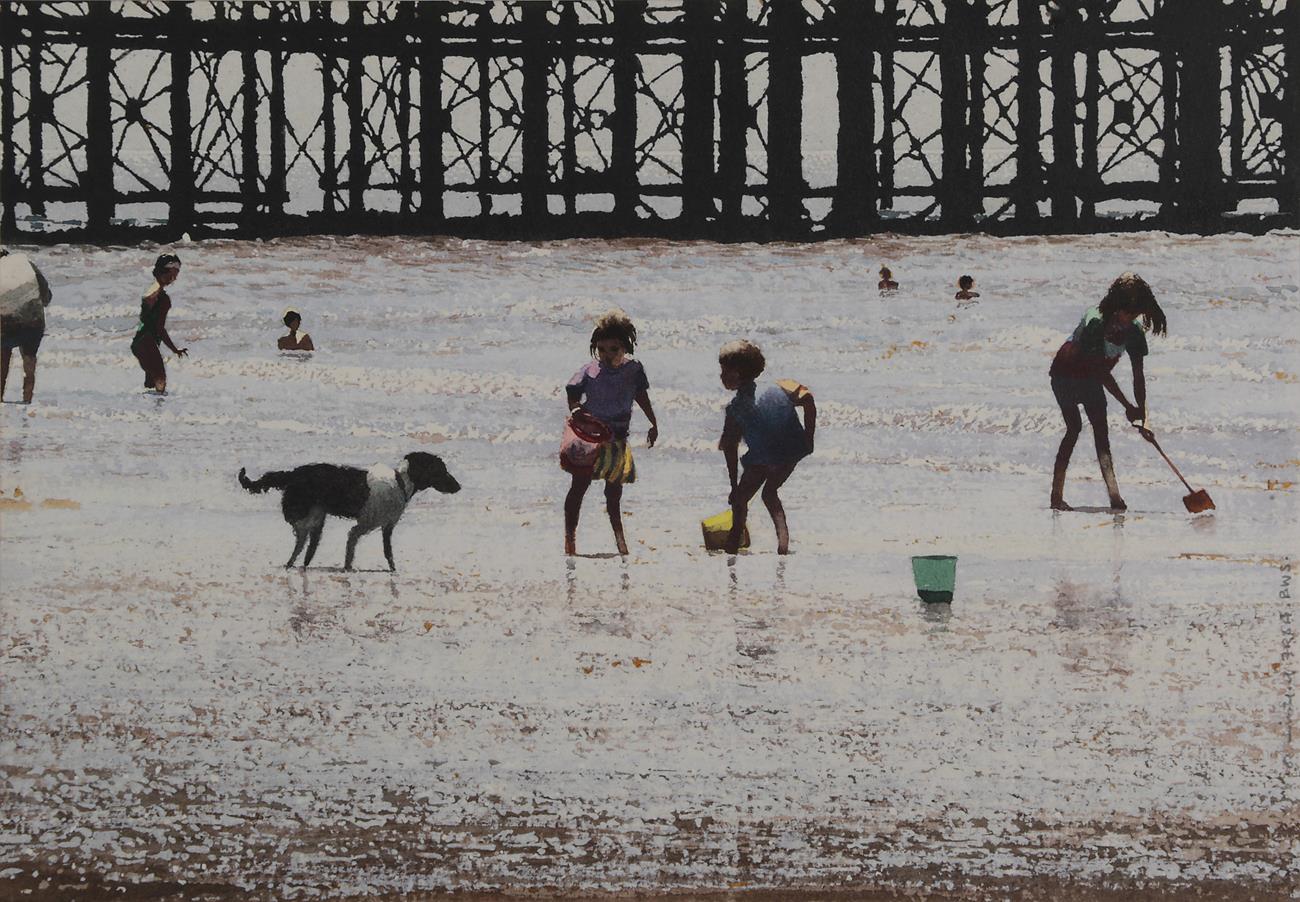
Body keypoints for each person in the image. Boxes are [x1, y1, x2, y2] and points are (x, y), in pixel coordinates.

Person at [1049, 272, 1167, 512]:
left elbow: (1138, 377)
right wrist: (1126, 406)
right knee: (1074, 429)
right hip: (1065, 374)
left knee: (1102, 437)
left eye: (1135, 314)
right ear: (1115, 307)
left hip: (1090, 379)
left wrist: (1143, 416)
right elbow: (1101, 372)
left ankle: (1114, 496)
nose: (1129, 319)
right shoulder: (1095, 322)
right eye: (1127, 313)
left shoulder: (1134, 332)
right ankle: (1056, 495)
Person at [563, 310, 658, 556]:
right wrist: (575, 410)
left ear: (625, 347)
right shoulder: (589, 370)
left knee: (613, 496)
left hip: (617, 439)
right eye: (602, 349)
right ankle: (570, 539)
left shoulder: (634, 370)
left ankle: (620, 542)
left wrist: (653, 423)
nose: (607, 355)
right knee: (578, 488)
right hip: (591, 439)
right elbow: (572, 392)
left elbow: (641, 396)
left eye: (614, 349)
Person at [717, 340, 815, 555]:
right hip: (789, 453)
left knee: (741, 499)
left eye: (725, 370)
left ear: (740, 373)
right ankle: (783, 544)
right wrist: (809, 439)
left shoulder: (734, 410)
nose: (721, 375)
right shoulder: (781, 385)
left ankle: (735, 539)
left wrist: (733, 486)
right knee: (769, 494)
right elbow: (808, 399)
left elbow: (730, 450)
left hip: (766, 458)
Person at [0, 249, 52, 404]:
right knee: (29, 360)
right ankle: (27, 399)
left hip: (7, 323)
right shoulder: (26, 264)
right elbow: (46, 295)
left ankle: (0, 397)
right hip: (34, 322)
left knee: (3, 358)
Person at [131, 253, 187, 394]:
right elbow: (159, 328)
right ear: (162, 271)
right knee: (160, 379)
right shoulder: (161, 298)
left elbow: (147, 320)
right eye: (171, 274)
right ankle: (159, 411)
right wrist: (174, 349)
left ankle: (148, 411)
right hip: (147, 341)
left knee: (151, 384)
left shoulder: (150, 291)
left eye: (176, 274)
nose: (174, 278)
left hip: (140, 341)